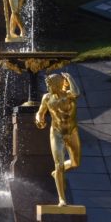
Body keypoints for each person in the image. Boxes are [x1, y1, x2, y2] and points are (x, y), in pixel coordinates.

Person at [35, 73, 82, 207]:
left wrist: (69, 78)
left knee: (75, 163)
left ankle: (57, 174)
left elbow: (77, 93)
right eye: (47, 84)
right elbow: (40, 112)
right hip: (57, 133)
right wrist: (39, 119)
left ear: (57, 84)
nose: (48, 87)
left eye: (50, 84)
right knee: (59, 164)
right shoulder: (47, 98)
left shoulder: (68, 95)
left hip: (71, 132)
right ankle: (62, 199)